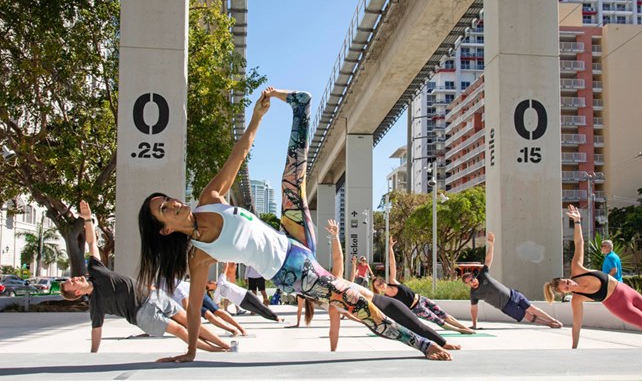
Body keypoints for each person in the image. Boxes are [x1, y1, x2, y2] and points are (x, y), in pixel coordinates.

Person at [137, 88, 452, 362]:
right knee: (358, 301)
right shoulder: (200, 256)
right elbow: (194, 309)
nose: (174, 203)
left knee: (291, 181)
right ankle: (424, 343)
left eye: (168, 198)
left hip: (293, 238)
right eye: (165, 209)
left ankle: (300, 107)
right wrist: (191, 350)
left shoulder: (209, 197)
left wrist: (258, 117)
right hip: (294, 274)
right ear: (165, 229)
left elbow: (240, 152)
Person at [61, 201, 231, 354]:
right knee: (180, 330)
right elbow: (96, 330)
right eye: (72, 283)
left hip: (152, 295)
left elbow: (91, 243)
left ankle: (224, 345)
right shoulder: (96, 303)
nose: (75, 278)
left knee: (188, 320)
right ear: (77, 293)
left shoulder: (95, 270)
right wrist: (92, 355)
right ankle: (215, 350)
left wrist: (88, 219)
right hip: (142, 314)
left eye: (72, 278)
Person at [544, 205, 642, 348]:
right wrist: (574, 348)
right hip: (619, 305)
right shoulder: (577, 299)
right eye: (567, 287)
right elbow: (577, 325)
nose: (571, 284)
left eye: (567, 281)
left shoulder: (577, 269)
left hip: (626, 290)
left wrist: (577, 221)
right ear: (564, 293)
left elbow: (579, 243)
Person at [326, 219, 461, 352]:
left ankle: (442, 343)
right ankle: (431, 346)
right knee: (404, 334)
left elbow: (338, 257)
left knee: (414, 324)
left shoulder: (337, 279)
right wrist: (333, 352)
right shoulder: (333, 305)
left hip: (384, 304)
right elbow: (334, 329)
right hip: (374, 319)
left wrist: (335, 236)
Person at [372, 237, 474, 335]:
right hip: (416, 309)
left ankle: (464, 327)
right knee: (438, 320)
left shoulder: (393, 281)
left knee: (444, 315)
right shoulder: (387, 298)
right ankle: (460, 330)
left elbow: (392, 265)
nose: (381, 285)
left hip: (422, 299)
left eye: (380, 282)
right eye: (378, 285)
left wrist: (390, 248)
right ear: (377, 289)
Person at [462, 231, 562, 329]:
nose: (473, 281)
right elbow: (474, 309)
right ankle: (549, 324)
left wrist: (492, 245)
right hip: (506, 306)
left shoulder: (483, 275)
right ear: (468, 284)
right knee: (528, 316)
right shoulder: (474, 294)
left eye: (472, 278)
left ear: (474, 276)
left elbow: (488, 260)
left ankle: (553, 320)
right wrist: (474, 324)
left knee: (532, 308)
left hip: (513, 294)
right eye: (469, 281)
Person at [207, 262, 283, 322]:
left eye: (210, 281)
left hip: (245, 293)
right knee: (258, 311)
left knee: (260, 305)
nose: (212, 281)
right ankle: (274, 319)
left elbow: (226, 267)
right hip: (241, 303)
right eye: (210, 283)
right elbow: (217, 307)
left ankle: (276, 317)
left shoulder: (220, 280)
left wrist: (225, 258)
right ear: (210, 289)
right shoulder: (216, 295)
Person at [172, 279, 247, 336]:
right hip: (190, 303)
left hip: (197, 292)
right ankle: (232, 330)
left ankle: (241, 328)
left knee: (218, 311)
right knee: (209, 316)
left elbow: (182, 292)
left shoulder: (169, 278)